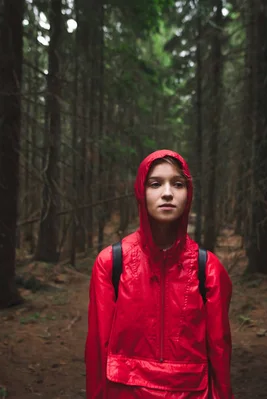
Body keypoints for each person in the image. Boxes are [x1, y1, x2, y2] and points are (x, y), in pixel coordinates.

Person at [85, 149, 234, 399]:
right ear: (140, 192)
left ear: (189, 195)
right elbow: (98, 350)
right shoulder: (112, 263)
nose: (167, 193)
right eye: (155, 184)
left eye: (178, 184)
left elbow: (219, 351)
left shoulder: (207, 268)